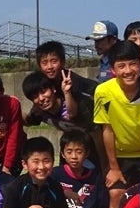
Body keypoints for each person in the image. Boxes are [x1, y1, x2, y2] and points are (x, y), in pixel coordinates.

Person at [93, 40, 140, 208]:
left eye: (133, 64)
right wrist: (113, 167)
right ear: (113, 69)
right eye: (121, 66)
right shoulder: (103, 91)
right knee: (116, 195)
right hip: (120, 157)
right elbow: (107, 130)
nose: (128, 70)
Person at [36, 40, 105, 171]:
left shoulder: (76, 85)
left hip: (92, 139)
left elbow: (94, 129)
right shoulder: (44, 87)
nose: (49, 67)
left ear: (62, 62)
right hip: (70, 141)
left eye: (54, 61)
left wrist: (105, 164)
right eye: (44, 63)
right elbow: (32, 117)